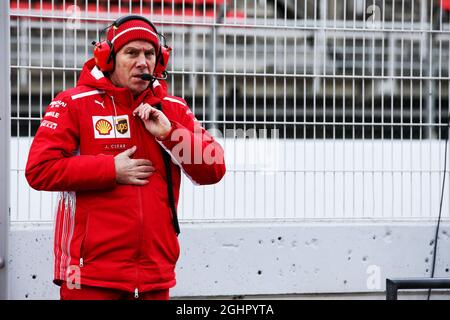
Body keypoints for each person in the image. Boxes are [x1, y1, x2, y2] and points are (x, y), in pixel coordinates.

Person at [25, 15, 226, 300]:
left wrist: (170, 133)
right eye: (131, 53)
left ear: (160, 61)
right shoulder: (73, 103)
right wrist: (110, 169)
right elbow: (39, 170)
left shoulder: (173, 109)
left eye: (150, 53)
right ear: (108, 59)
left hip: (155, 278)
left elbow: (214, 169)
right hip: (89, 278)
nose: (143, 62)